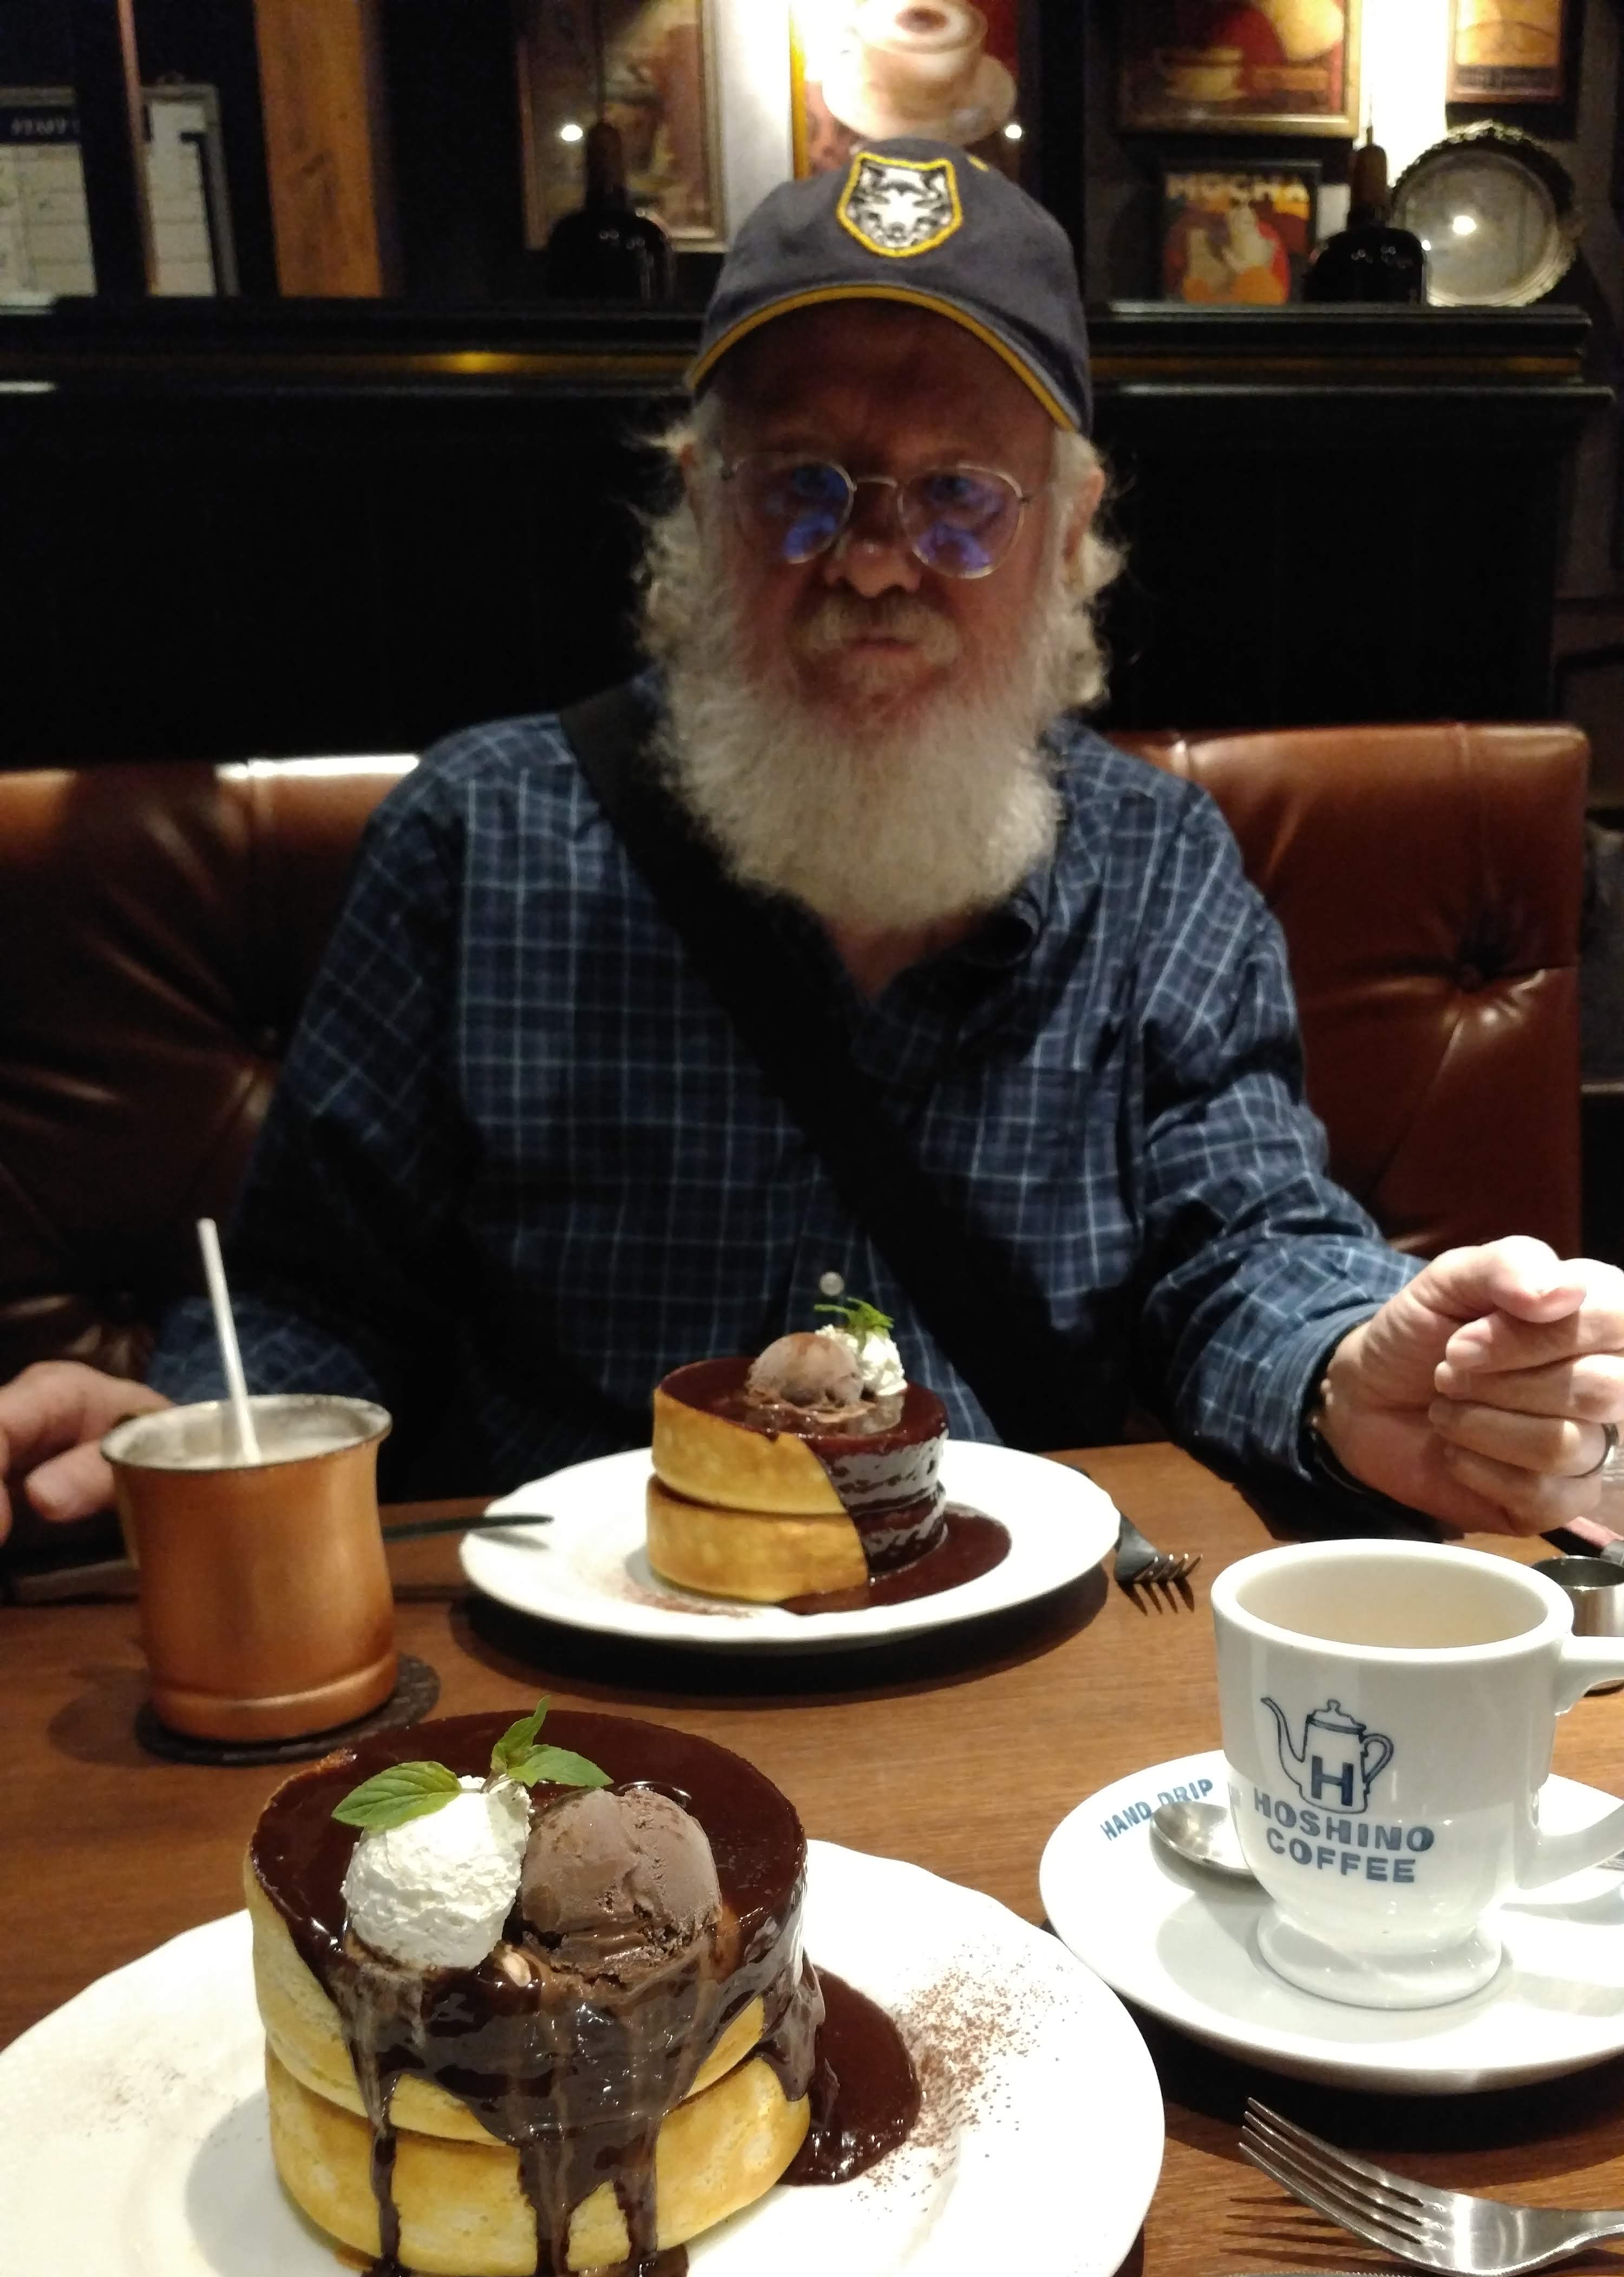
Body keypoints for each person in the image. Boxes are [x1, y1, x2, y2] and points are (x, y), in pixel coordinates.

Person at [3, 138, 1624, 1548]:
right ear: (701, 505)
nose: (872, 563)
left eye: (957, 500)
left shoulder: (1161, 869)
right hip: (591, 1675)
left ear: (1067, 529)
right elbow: (316, 1297)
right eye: (808, 488)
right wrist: (196, 1435)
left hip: (1019, 1654)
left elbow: (1243, 1249)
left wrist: (1357, 1380)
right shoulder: (480, 836)